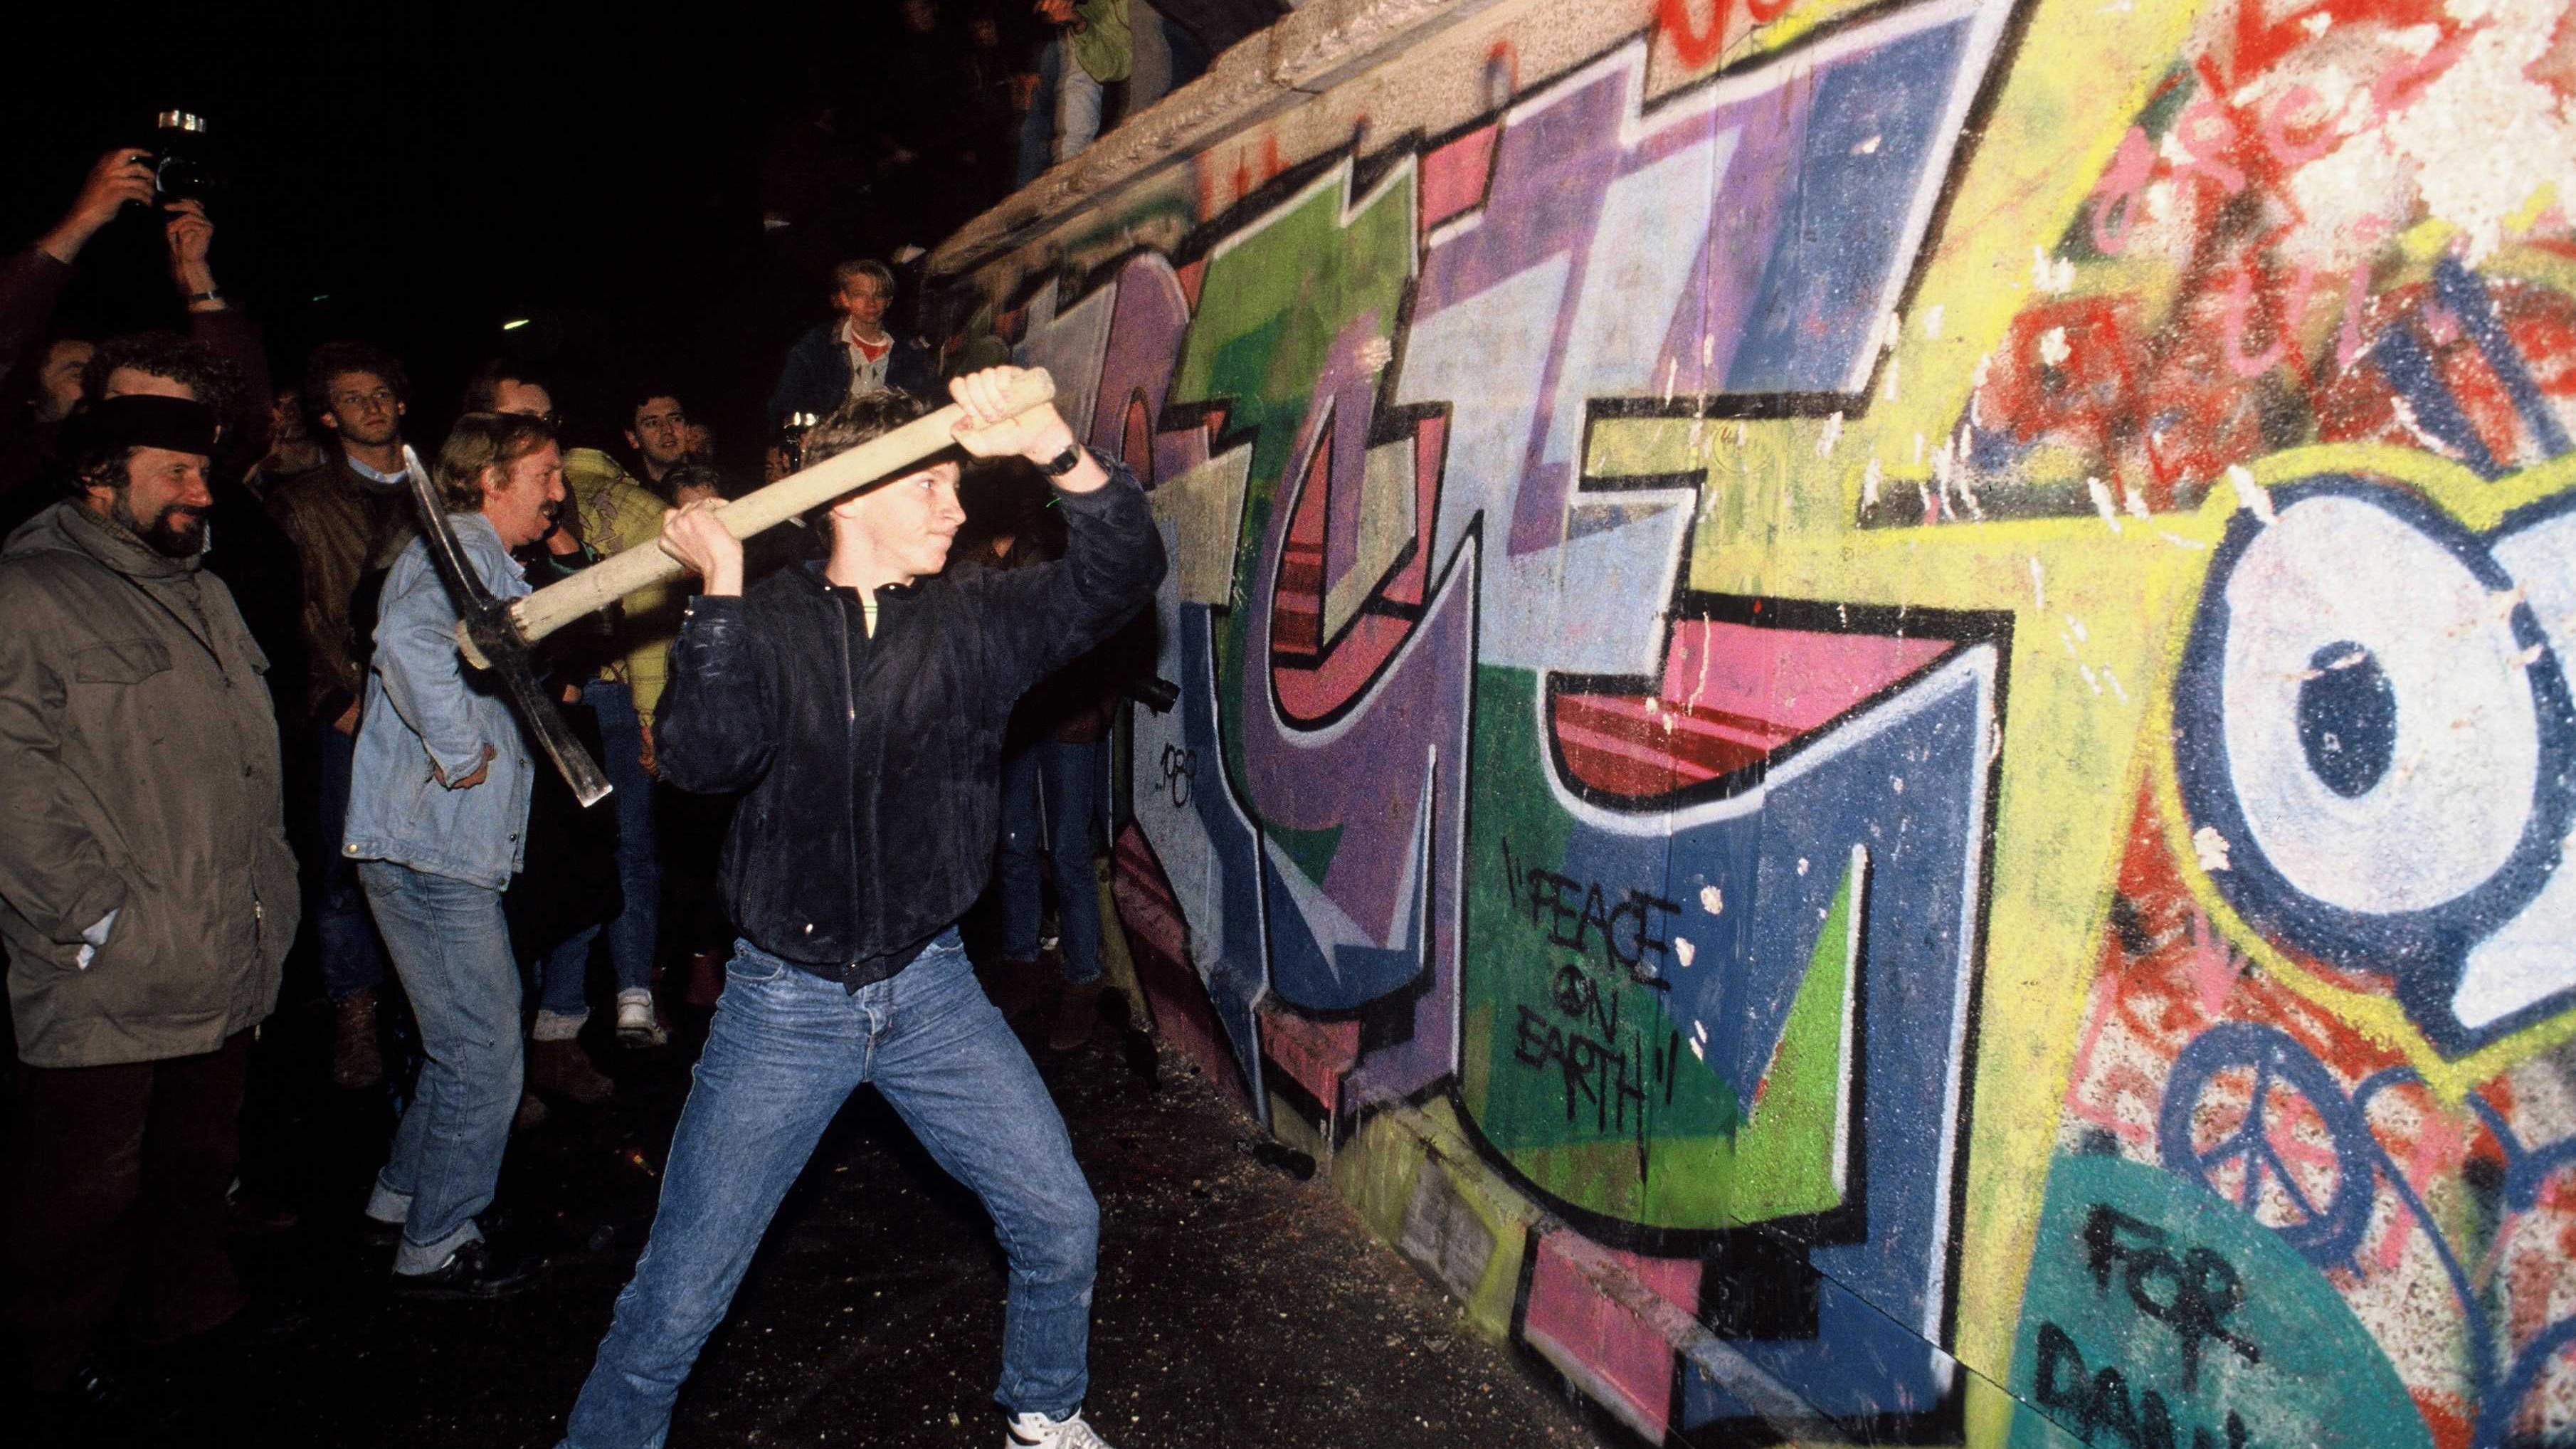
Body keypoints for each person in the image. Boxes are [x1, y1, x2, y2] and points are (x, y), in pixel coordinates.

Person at [557, 367, 1163, 1449]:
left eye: (956, 484)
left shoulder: (977, 620)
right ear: (845, 497)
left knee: (1058, 1218)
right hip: (785, 1008)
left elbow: (1122, 570)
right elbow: (702, 759)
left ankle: (1044, 1411)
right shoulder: (769, 616)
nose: (955, 506)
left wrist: (1053, 448)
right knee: (681, 1291)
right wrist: (721, 598)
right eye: (928, 485)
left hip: (930, 989)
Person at [0, 394, 302, 1435]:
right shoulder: (28, 594)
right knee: (83, 1192)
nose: (200, 490)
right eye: (173, 471)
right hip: (109, 962)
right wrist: (91, 916)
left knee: (194, 1166)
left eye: (202, 471)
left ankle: (187, 1329)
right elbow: (9, 777)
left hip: (218, 941)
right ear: (98, 477)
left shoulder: (202, 591)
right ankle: (49, 1364)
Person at [344, 411, 569, 1297]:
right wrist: (457, 748)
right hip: (432, 843)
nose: (558, 491)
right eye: (545, 473)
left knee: (456, 1041)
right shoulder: (460, 549)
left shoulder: (483, 557)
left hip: (428, 840)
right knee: (485, 1049)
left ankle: (402, 1201)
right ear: (492, 479)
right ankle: (438, 1241)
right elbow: (405, 645)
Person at [266, 341, 418, 1088]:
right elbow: (294, 613)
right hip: (354, 709)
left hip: (438, 707)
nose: (370, 407)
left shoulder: (439, 487)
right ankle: (354, 1015)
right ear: (327, 415)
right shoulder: (301, 503)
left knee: (440, 865)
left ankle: (441, 1022)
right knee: (343, 869)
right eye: (352, 397)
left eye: (380, 392)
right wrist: (333, 700)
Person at [766, 258, 934, 428]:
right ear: (845, 299)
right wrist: (783, 440)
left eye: (879, 294)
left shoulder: (909, 349)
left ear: (889, 301)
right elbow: (786, 403)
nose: (871, 303)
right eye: (860, 295)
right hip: (828, 440)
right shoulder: (817, 345)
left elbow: (922, 404)